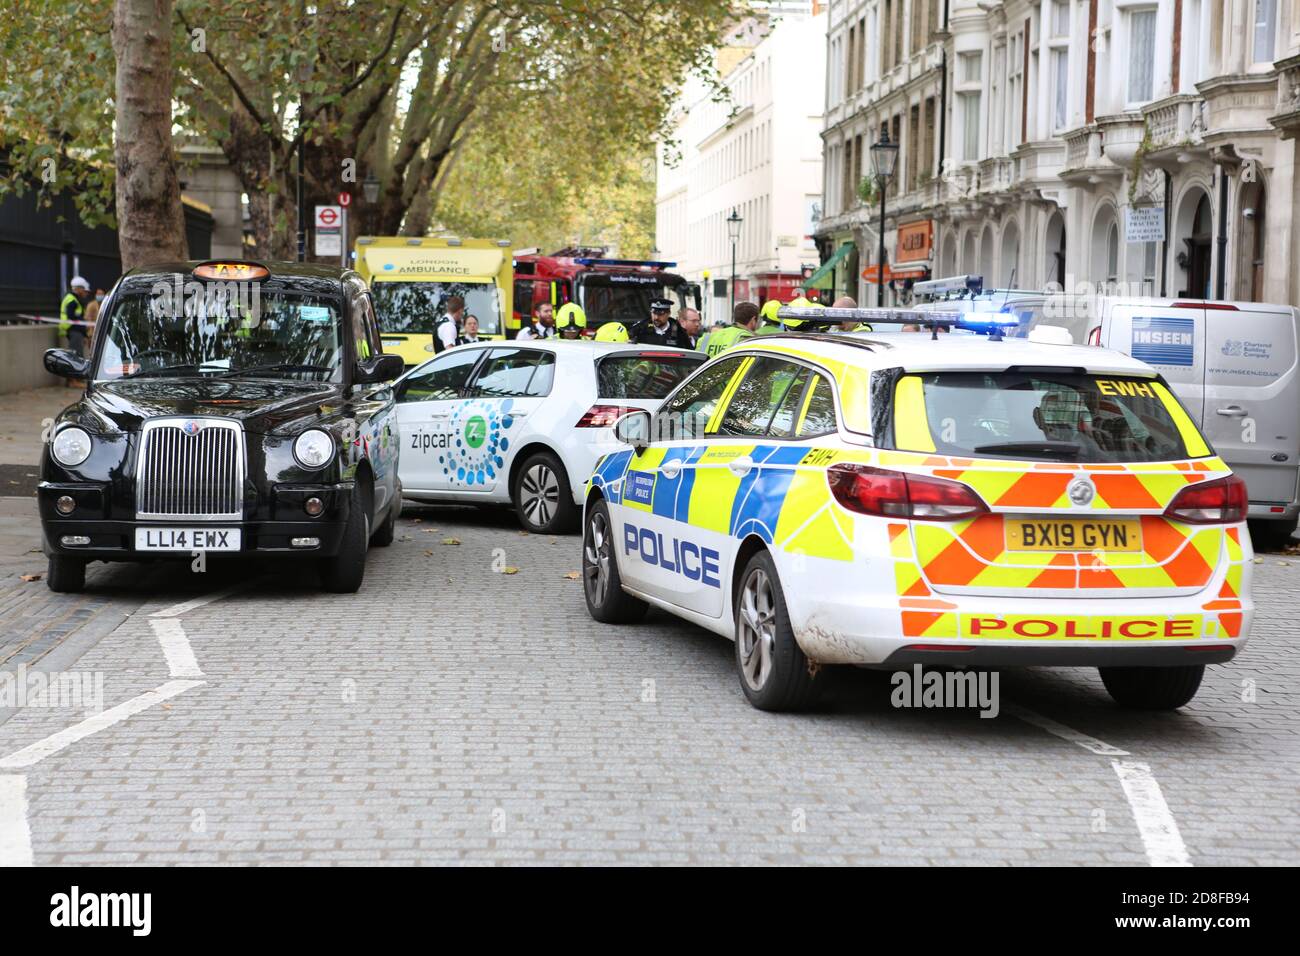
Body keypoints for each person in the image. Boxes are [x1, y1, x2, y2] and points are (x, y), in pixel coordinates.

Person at [60, 276, 93, 358]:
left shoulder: (74, 299)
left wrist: (84, 335)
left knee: (76, 356)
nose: (86, 293)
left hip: (75, 331)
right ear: (79, 289)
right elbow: (73, 319)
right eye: (84, 291)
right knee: (76, 357)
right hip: (74, 331)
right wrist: (84, 333)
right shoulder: (72, 300)